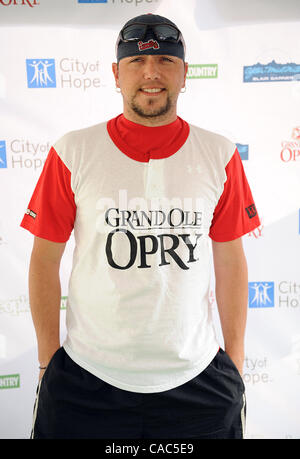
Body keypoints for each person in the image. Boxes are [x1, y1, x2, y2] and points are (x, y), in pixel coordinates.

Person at [20, 13, 260, 439]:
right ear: (116, 74)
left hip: (197, 378)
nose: (151, 73)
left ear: (185, 73)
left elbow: (230, 261)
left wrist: (236, 363)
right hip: (87, 378)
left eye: (166, 60)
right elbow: (44, 259)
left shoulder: (219, 154)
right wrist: (47, 360)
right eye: (135, 62)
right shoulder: (73, 151)